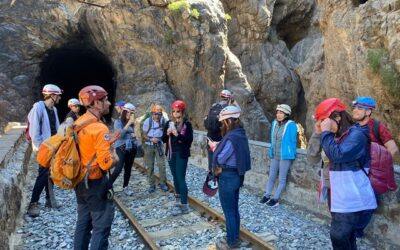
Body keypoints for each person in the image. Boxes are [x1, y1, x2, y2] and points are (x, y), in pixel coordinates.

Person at [313, 98, 377, 250]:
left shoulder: (358, 134)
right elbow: (311, 156)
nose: (324, 126)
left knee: (338, 235)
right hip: (340, 196)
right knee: (347, 237)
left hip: (352, 197)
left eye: (325, 121)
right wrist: (318, 134)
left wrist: (327, 133)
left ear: (337, 117)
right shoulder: (341, 136)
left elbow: (338, 155)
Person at [73, 85, 120, 250]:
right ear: (96, 103)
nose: (108, 102)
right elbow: (105, 163)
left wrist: (107, 143)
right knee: (102, 226)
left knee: (83, 224)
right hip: (95, 183)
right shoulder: (100, 128)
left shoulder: (80, 122)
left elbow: (87, 148)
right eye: (105, 99)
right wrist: (114, 156)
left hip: (80, 181)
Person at [208, 105, 251, 249]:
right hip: (237, 176)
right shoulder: (240, 134)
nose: (222, 125)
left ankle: (231, 242)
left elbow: (220, 158)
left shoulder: (232, 137)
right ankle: (235, 237)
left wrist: (214, 147)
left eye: (223, 122)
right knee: (234, 209)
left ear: (228, 121)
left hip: (228, 176)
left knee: (229, 211)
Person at [27, 84, 62, 217]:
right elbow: (34, 132)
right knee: (42, 174)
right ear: (52, 95)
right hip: (44, 148)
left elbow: (56, 129)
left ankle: (49, 199)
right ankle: (33, 203)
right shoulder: (38, 108)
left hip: (53, 147)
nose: (59, 98)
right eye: (58, 95)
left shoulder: (54, 110)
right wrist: (42, 148)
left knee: (51, 173)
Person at [260, 104, 297, 207]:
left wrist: (290, 152)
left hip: (285, 156)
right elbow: (272, 139)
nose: (278, 114)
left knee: (282, 179)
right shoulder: (274, 123)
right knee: (271, 176)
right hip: (275, 154)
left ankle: (275, 199)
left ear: (286, 114)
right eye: (277, 112)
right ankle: (267, 195)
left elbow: (293, 141)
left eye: (281, 113)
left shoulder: (291, 125)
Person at [162, 100, 193, 216]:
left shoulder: (186, 125)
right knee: (175, 177)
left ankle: (184, 205)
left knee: (180, 178)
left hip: (181, 154)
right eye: (174, 111)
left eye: (178, 111)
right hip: (171, 153)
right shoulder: (169, 123)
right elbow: (163, 139)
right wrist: (167, 133)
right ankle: (178, 200)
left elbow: (188, 140)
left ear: (182, 112)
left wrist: (177, 134)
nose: (176, 113)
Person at [204, 90, 238, 173]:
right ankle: (218, 181)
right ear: (229, 98)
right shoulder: (228, 109)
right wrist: (234, 102)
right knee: (220, 164)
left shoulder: (213, 106)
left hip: (210, 138)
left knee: (211, 162)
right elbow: (238, 113)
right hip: (221, 140)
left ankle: (211, 178)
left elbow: (206, 121)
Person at [110, 102, 137, 196]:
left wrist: (134, 133)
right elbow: (120, 136)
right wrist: (129, 123)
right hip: (121, 147)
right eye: (128, 112)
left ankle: (125, 187)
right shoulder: (118, 122)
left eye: (132, 113)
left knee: (128, 168)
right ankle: (108, 186)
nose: (130, 115)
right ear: (124, 112)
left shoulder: (132, 123)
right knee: (119, 168)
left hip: (131, 147)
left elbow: (136, 134)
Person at [142, 104, 168, 193]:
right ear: (152, 113)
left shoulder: (163, 121)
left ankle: (163, 183)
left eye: (159, 114)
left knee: (162, 165)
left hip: (159, 145)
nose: (157, 116)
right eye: (155, 114)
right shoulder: (147, 122)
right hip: (149, 145)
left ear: (161, 114)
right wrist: (151, 139)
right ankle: (151, 185)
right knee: (150, 166)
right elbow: (144, 134)